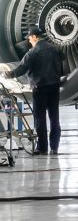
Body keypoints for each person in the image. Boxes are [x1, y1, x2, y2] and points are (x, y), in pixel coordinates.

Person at [1, 27, 63, 155]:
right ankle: (54, 147)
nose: (29, 40)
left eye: (29, 38)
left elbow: (21, 69)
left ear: (35, 37)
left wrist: (7, 74)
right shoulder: (54, 48)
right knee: (54, 118)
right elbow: (63, 59)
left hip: (40, 88)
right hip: (54, 87)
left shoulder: (33, 52)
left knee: (40, 119)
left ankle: (42, 148)